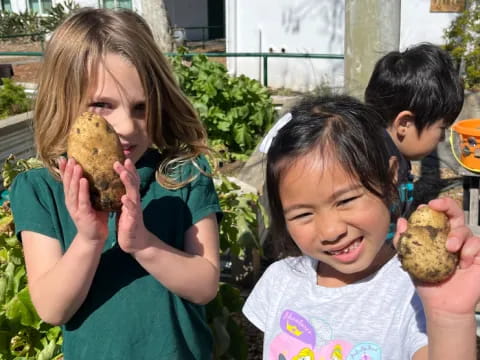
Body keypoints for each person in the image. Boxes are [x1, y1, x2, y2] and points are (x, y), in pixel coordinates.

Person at [9, 8, 222, 360]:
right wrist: (89, 239)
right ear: (63, 102)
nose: (126, 126)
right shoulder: (39, 190)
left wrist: (143, 244)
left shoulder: (183, 176)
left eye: (141, 108)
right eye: (102, 106)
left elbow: (205, 286)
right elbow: (51, 308)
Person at [244, 94, 480, 359]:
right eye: (303, 214)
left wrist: (449, 319)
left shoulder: (414, 294)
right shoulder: (281, 281)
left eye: (346, 200)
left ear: (390, 179)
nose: (331, 231)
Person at [364, 43, 464, 238]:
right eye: (442, 128)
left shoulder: (389, 153)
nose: (442, 138)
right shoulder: (377, 169)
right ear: (404, 124)